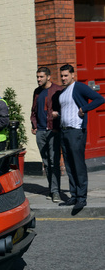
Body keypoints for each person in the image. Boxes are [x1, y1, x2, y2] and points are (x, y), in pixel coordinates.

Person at [57, 64, 105, 212]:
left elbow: (99, 99)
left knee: (78, 165)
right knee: (70, 166)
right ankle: (74, 196)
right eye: (62, 76)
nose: (63, 78)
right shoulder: (63, 92)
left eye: (66, 75)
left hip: (76, 131)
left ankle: (81, 198)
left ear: (73, 75)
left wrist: (84, 109)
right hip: (64, 132)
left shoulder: (78, 87)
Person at [30, 67, 63, 202]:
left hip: (53, 131)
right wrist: (34, 126)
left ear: (48, 77)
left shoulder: (57, 90)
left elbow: (63, 110)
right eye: (37, 77)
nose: (38, 79)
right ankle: (51, 189)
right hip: (41, 132)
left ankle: (56, 192)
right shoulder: (37, 92)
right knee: (46, 163)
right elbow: (33, 110)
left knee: (54, 162)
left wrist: (57, 125)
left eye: (41, 77)